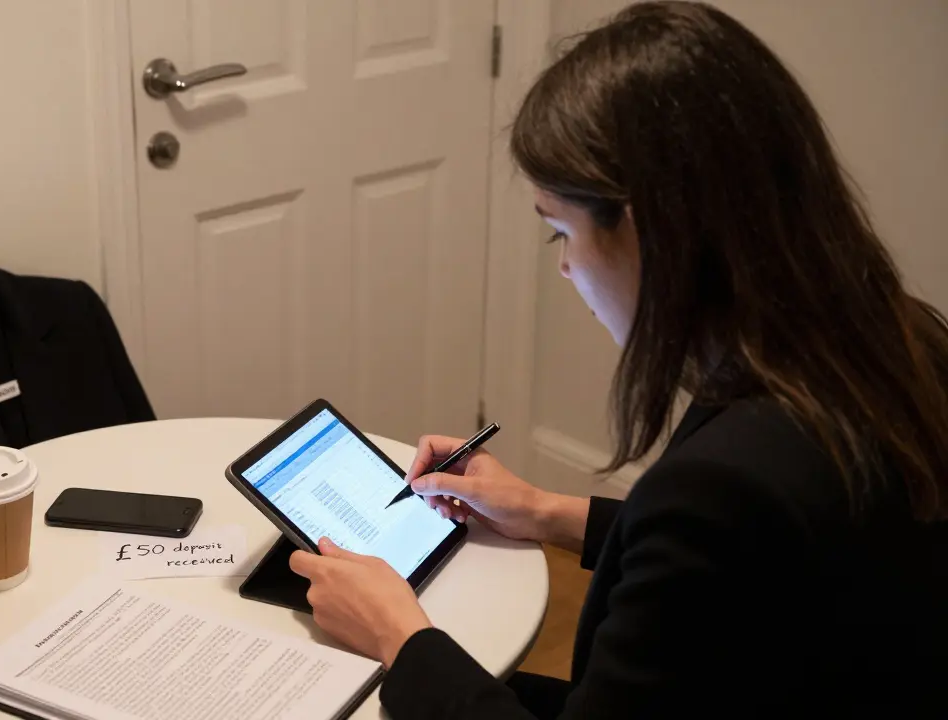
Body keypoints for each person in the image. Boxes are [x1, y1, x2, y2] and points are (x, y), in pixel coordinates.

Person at [286, 2, 948, 718]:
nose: (567, 270)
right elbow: (744, 570)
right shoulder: (897, 342)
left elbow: (720, 535)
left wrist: (399, 635)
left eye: (560, 234)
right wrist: (548, 511)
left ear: (643, 228)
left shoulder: (726, 483)